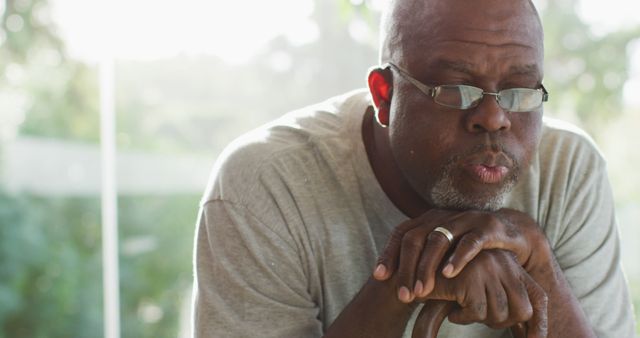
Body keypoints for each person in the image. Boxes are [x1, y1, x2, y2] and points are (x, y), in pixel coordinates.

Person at [192, 0, 636, 337]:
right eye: (455, 88)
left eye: (520, 90)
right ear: (384, 95)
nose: (495, 117)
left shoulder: (568, 168)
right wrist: (407, 278)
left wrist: (539, 261)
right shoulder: (266, 185)